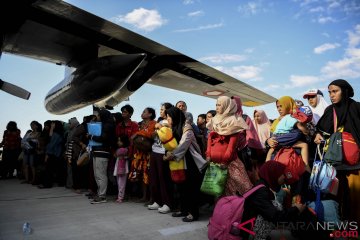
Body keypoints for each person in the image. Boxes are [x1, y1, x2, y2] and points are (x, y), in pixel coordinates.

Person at [314, 79, 360, 223]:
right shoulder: (330, 110)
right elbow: (321, 130)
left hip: (356, 164)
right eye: (329, 92)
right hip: (335, 164)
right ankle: (340, 225)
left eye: (335, 91)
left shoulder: (357, 107)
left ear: (345, 91)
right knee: (337, 197)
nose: (331, 95)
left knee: (356, 198)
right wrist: (317, 136)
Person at [163, 107, 207, 222]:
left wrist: (171, 154)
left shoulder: (187, 128)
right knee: (182, 187)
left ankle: (193, 213)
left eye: (169, 117)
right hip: (180, 161)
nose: (167, 119)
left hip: (190, 162)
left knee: (191, 188)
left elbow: (183, 144)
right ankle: (184, 210)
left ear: (175, 116)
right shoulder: (174, 128)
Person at [206, 96, 253, 196]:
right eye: (216, 105)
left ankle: (236, 210)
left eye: (220, 105)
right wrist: (208, 154)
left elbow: (232, 146)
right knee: (217, 190)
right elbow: (210, 140)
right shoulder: (214, 120)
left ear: (227, 106)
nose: (217, 107)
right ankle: (220, 210)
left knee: (237, 190)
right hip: (215, 164)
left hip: (230, 163)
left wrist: (225, 161)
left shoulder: (235, 121)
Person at [266, 96, 311, 173]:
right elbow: (272, 139)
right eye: (277, 107)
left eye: (281, 106)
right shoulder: (276, 122)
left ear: (288, 105)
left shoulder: (298, 118)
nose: (279, 109)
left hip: (295, 159)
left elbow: (308, 137)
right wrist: (268, 141)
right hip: (279, 159)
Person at [147, 102, 173, 213]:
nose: (161, 111)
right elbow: (153, 135)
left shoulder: (170, 121)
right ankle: (157, 201)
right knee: (154, 177)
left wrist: (161, 127)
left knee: (163, 179)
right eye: (161, 109)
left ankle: (167, 203)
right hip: (154, 150)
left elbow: (170, 133)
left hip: (163, 152)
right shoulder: (159, 121)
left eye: (162, 109)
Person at [88, 109, 116, 204]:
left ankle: (102, 196)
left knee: (101, 175)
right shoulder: (104, 125)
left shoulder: (108, 126)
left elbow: (103, 138)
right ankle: (100, 194)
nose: (98, 117)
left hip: (103, 152)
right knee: (97, 174)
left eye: (99, 115)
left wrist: (91, 136)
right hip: (97, 151)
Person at [113, 135, 130, 203]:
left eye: (120, 141)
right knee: (120, 182)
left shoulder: (122, 150)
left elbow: (116, 154)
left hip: (121, 168)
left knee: (121, 183)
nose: (118, 142)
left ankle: (120, 196)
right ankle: (120, 196)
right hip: (120, 167)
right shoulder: (125, 149)